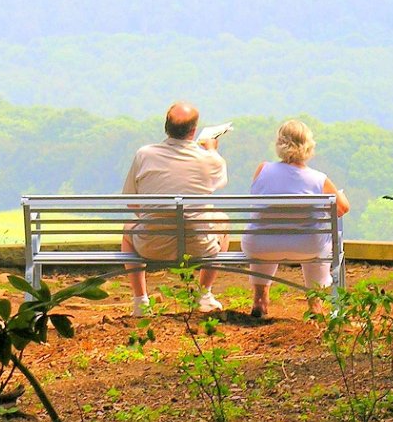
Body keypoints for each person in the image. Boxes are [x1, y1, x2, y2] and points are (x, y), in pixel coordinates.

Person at [120, 101, 228, 316]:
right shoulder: (209, 160)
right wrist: (212, 151)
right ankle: (204, 294)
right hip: (199, 247)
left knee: (128, 229)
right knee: (223, 220)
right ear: (194, 130)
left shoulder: (144, 154)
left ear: (166, 127)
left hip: (152, 246)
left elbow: (132, 201)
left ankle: (141, 301)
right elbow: (219, 182)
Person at [240, 119, 350, 318]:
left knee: (268, 231)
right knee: (315, 234)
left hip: (260, 246)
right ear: (308, 146)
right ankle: (315, 305)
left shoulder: (262, 169)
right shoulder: (318, 179)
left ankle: (260, 299)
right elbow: (342, 208)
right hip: (307, 247)